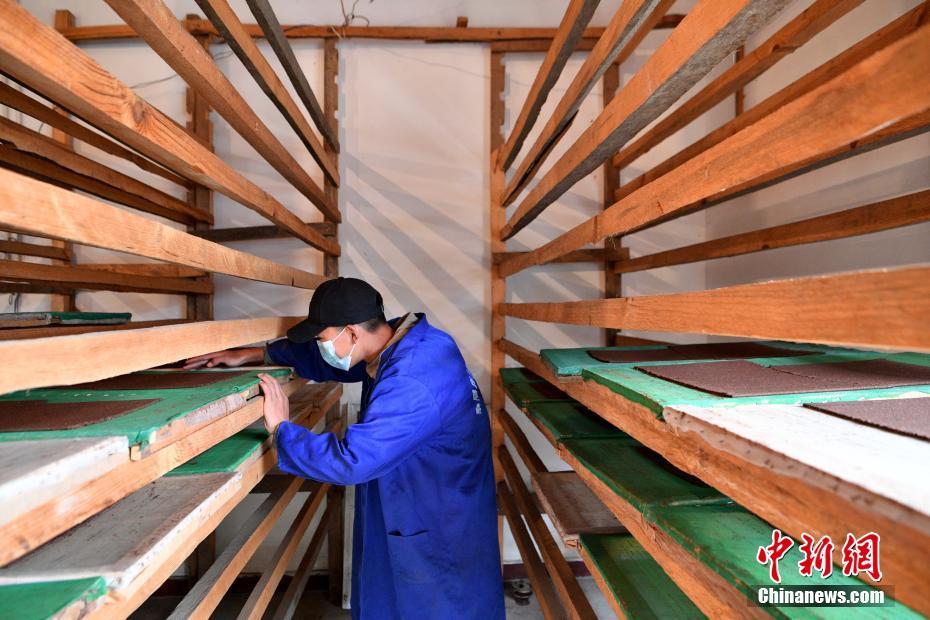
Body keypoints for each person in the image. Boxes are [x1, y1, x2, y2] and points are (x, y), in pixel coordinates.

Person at [185, 277, 504, 619]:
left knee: (436, 605)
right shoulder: (409, 344)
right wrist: (259, 353)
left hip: (434, 515)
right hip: (434, 492)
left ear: (351, 332)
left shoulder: (410, 380)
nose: (321, 346)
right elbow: (332, 359)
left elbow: (352, 460)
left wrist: (281, 430)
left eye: (322, 339)